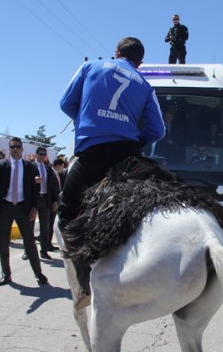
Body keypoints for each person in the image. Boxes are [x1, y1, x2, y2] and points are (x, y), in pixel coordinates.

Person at [58, 37, 165, 306]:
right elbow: (158, 130)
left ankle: (84, 281)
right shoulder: (144, 84)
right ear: (139, 63)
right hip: (127, 156)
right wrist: (135, 139)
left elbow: (65, 103)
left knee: (67, 210)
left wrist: (87, 119)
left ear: (116, 53)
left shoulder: (90, 67)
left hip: (93, 155)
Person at [0, 137, 48, 286]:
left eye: (18, 146)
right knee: (3, 243)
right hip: (4, 207)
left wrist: (34, 208)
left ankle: (38, 273)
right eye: (12, 146)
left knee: (30, 242)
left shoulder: (29, 166)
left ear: (22, 149)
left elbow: (34, 190)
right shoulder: (1, 165)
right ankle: (6, 274)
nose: (15, 149)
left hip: (23, 208)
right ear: (9, 149)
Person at [22, 146, 60, 260]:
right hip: (33, 200)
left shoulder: (48, 168)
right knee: (29, 227)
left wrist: (54, 200)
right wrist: (34, 181)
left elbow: (53, 186)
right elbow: (23, 182)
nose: (43, 156)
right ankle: (27, 251)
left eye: (45, 154)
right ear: (36, 154)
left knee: (45, 227)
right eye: (41, 154)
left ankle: (44, 250)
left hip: (45, 200)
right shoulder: (30, 166)